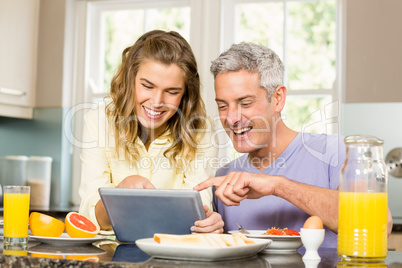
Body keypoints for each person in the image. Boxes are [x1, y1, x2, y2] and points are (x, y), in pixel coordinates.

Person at [194, 42, 393, 247]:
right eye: (223, 106)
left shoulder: (334, 152)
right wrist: (212, 230)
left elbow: (378, 226)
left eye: (245, 103)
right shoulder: (225, 178)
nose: (232, 118)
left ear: (278, 99)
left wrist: (277, 185)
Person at [78, 30, 223, 233]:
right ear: (131, 79)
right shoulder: (99, 120)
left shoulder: (201, 129)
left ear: (185, 95)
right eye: (147, 86)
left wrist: (208, 221)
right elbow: (88, 215)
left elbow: (198, 206)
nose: (156, 102)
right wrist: (119, 196)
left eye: (172, 92)